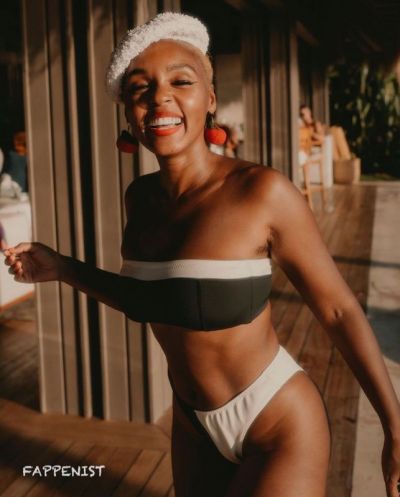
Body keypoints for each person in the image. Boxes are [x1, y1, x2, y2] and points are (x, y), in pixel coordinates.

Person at [2, 12, 400, 497]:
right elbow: (152, 298)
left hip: (276, 422)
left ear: (210, 98)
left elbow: (338, 310)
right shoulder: (140, 199)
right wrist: (63, 268)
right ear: (128, 112)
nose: (160, 98)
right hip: (192, 425)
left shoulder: (262, 191)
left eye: (181, 81)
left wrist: (395, 426)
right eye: (140, 88)